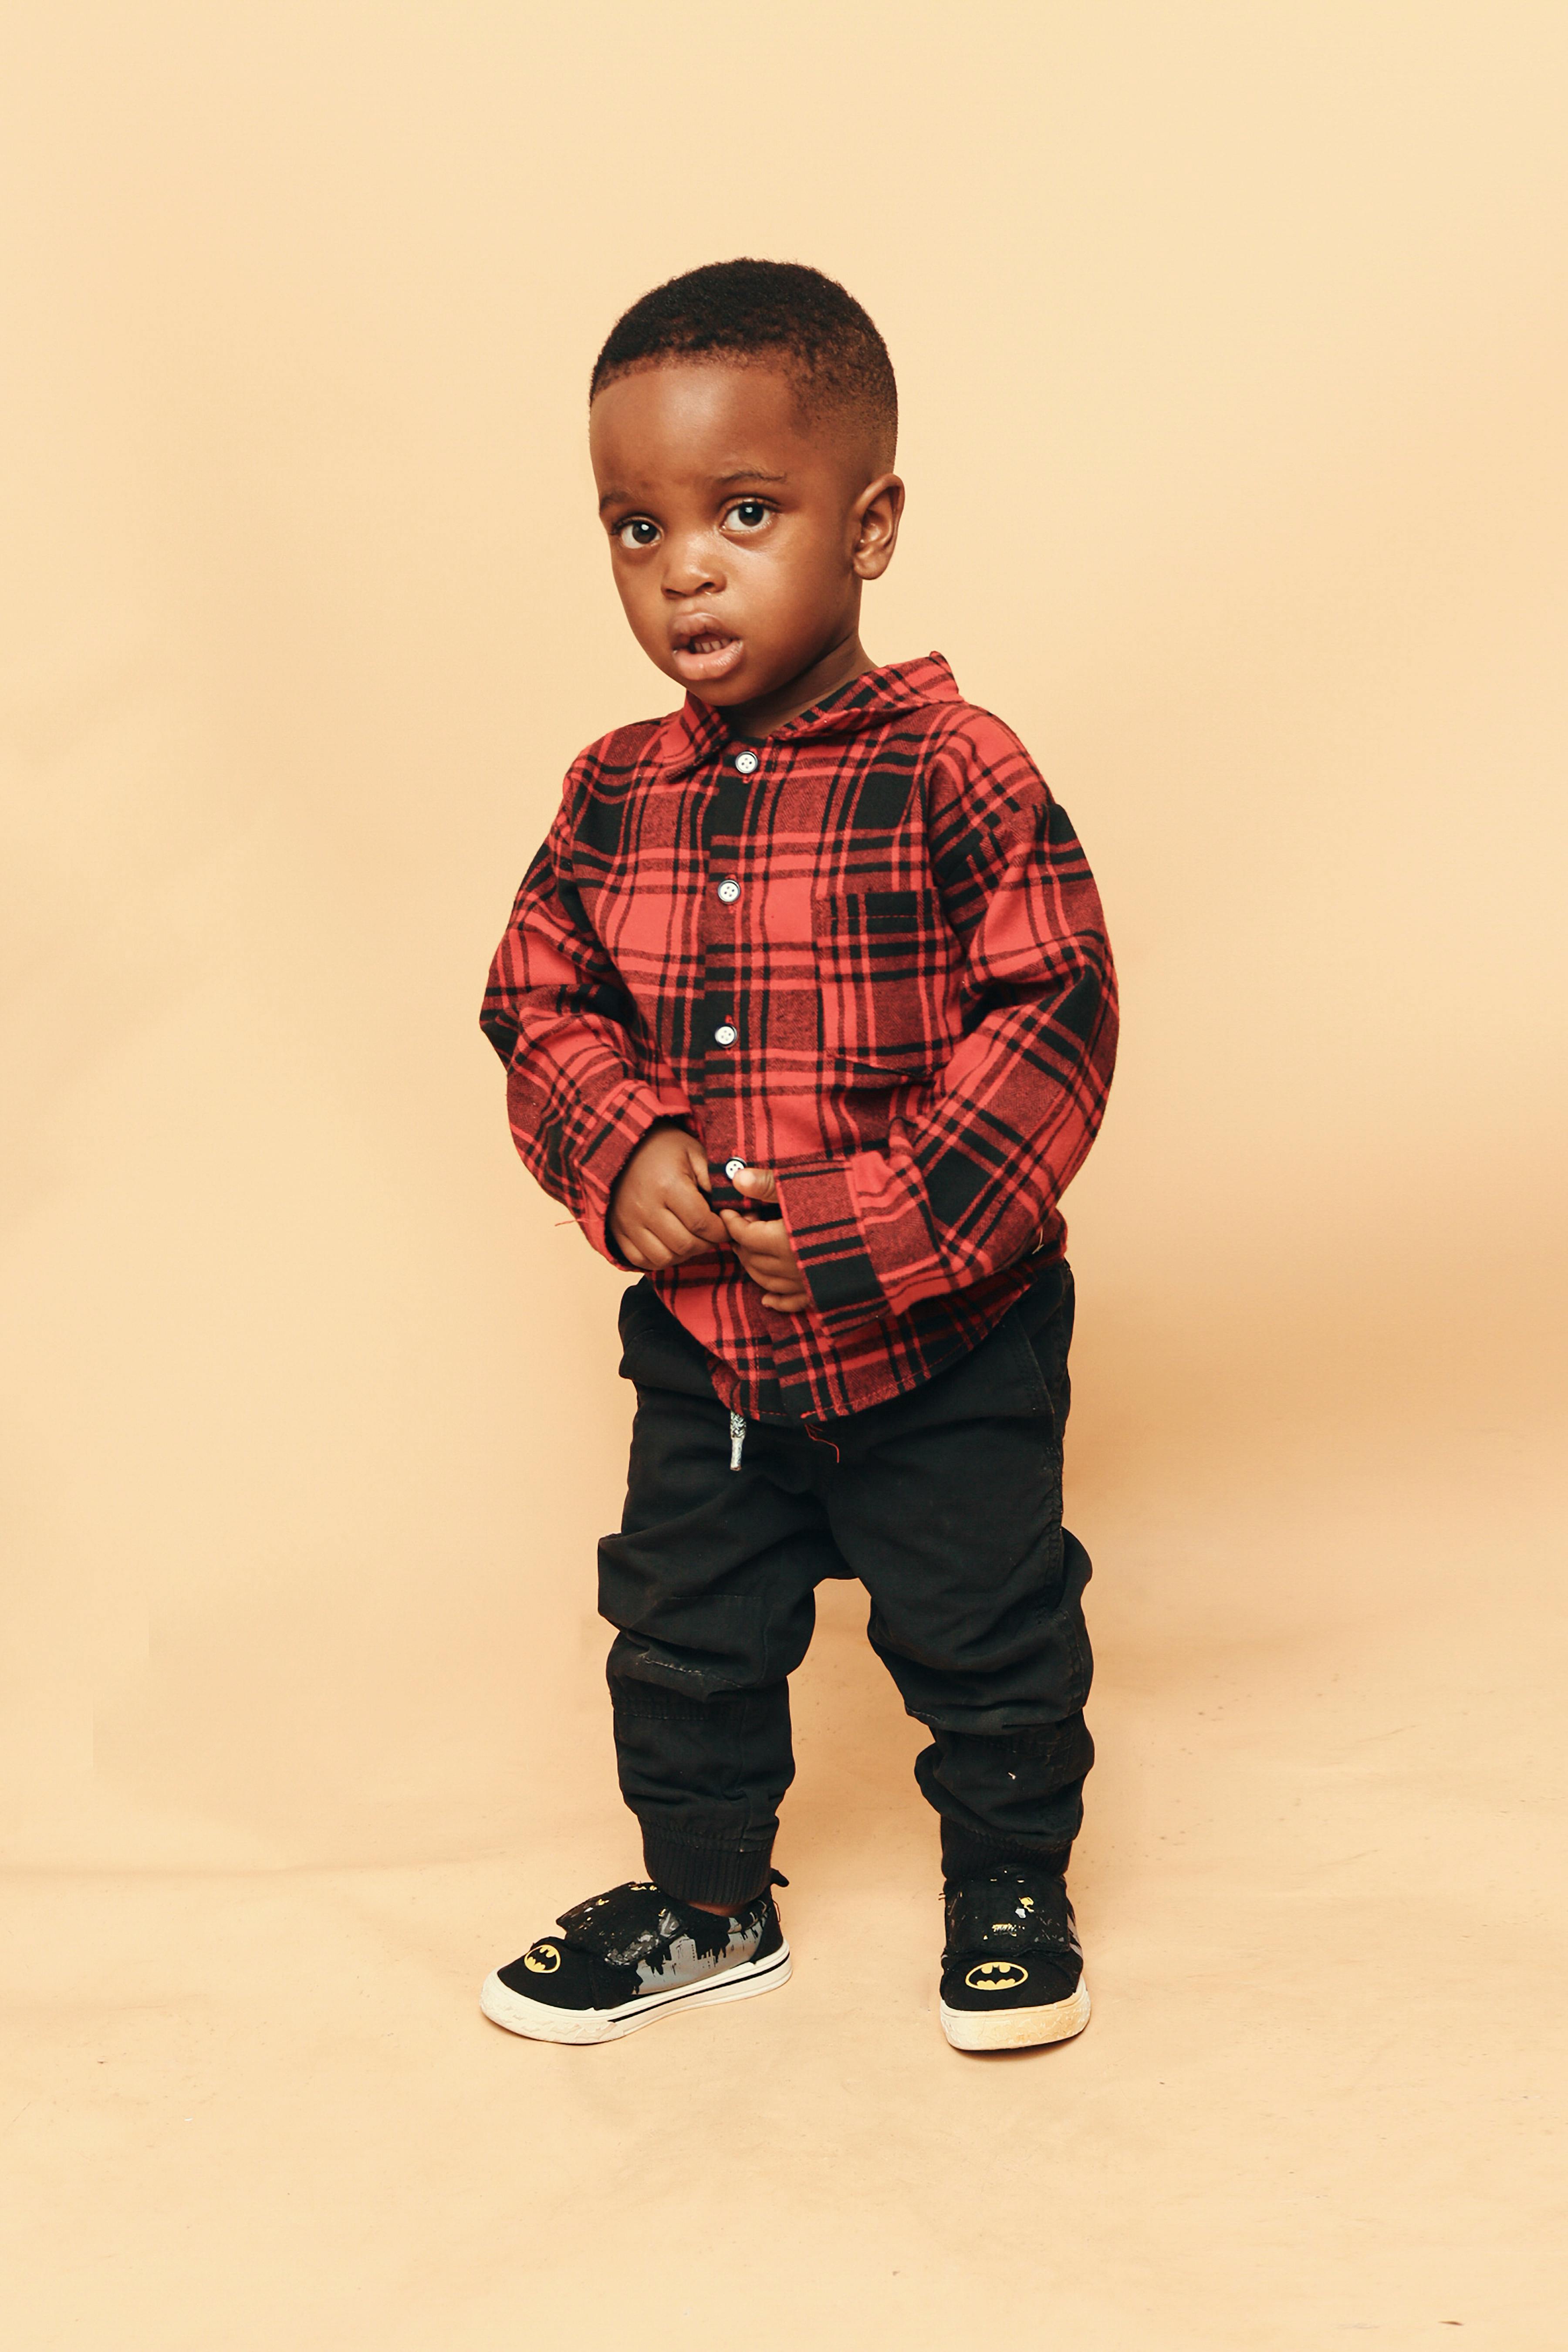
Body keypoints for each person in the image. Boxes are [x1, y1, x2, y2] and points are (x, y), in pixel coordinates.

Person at [478, 260, 1117, 2051]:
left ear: (871, 525)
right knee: (682, 1630)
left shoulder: (957, 771)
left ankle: (1008, 1885)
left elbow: (1056, 1018)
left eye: (745, 513)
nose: (686, 567)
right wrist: (621, 1147)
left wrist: (869, 1225)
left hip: (947, 1345)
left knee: (986, 1629)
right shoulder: (612, 794)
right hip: (712, 1353)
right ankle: (706, 1903)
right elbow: (534, 997)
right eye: (638, 527)